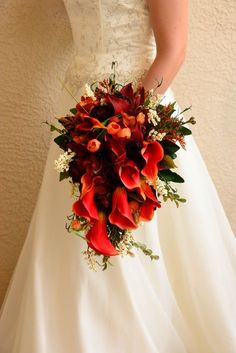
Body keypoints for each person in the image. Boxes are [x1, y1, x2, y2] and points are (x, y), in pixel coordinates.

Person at [0, 0, 236, 352]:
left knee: (141, 236)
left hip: (137, 114)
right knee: (74, 243)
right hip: (80, 117)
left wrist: (128, 128)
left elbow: (174, 49)